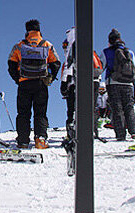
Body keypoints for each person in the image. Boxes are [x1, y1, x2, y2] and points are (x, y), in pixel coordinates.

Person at [7, 19, 61, 149]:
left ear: (27, 30)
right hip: (40, 83)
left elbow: (11, 64)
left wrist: (18, 79)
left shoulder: (19, 46)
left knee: (23, 113)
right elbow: (56, 63)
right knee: (40, 113)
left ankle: (23, 141)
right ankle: (40, 140)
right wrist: (50, 78)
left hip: (24, 84)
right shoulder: (47, 44)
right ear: (39, 30)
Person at [59, 27, 104, 140]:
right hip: (94, 82)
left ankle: (72, 133)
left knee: (73, 109)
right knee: (91, 108)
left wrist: (64, 83)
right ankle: (92, 132)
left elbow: (69, 67)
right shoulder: (89, 49)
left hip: (76, 83)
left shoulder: (73, 48)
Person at [100, 28, 135, 141]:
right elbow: (134, 65)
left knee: (117, 108)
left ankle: (121, 134)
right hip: (129, 84)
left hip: (113, 83)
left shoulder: (106, 52)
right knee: (129, 108)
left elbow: (101, 67)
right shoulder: (129, 52)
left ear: (110, 40)